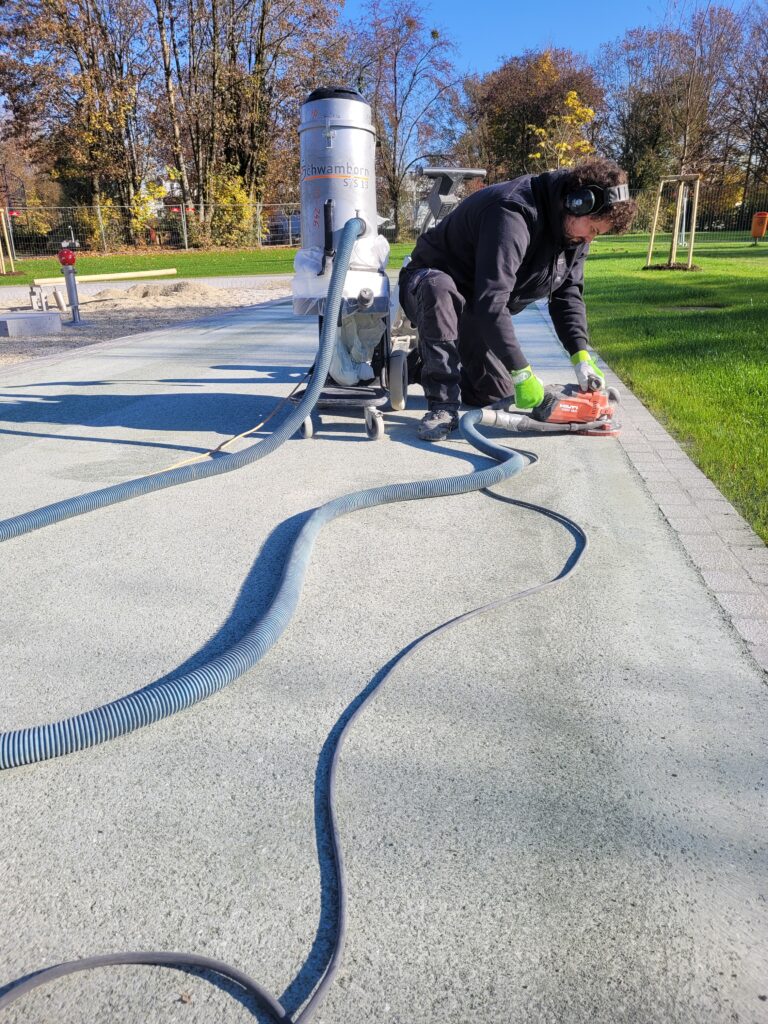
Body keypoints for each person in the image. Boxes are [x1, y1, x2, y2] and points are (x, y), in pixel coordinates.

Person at [398, 157, 638, 440]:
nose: (590, 240)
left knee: (495, 392)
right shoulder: (512, 211)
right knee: (439, 287)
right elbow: (493, 302)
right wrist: (522, 370)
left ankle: (415, 365)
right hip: (427, 285)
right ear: (578, 202)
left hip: (474, 307)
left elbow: (567, 295)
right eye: (594, 230)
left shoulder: (571, 235)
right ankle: (442, 406)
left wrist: (580, 355)